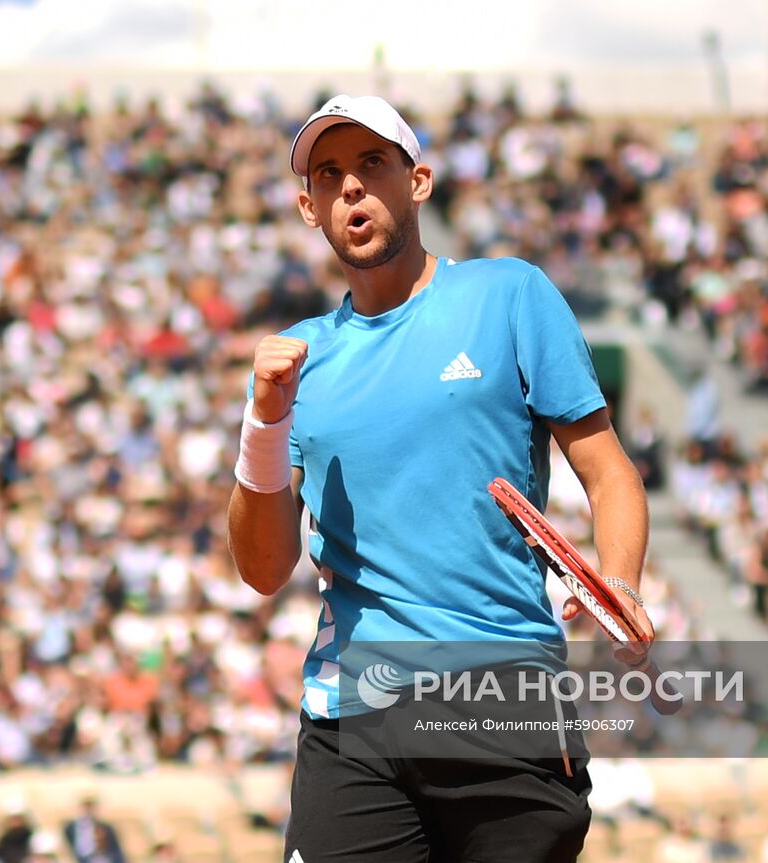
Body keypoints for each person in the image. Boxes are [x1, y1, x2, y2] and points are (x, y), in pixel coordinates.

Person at [228, 94, 654, 862]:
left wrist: (617, 581)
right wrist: (264, 424)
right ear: (308, 207)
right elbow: (261, 569)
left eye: (371, 164)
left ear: (417, 181)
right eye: (329, 175)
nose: (351, 188)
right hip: (353, 716)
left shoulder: (509, 294)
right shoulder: (295, 358)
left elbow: (609, 471)